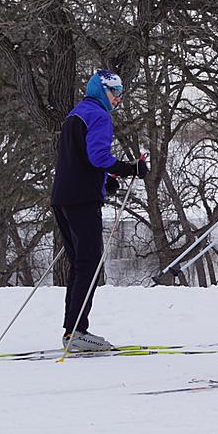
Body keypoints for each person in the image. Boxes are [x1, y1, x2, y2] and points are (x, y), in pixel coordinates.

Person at [51, 69, 146, 351]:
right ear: (100, 90)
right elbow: (98, 157)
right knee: (89, 264)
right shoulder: (99, 115)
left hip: (63, 198)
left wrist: (104, 184)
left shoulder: (75, 114)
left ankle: (72, 331)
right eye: (113, 91)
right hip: (81, 200)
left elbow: (80, 161)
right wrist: (132, 169)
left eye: (121, 92)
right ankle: (77, 331)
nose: (118, 97)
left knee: (79, 265)